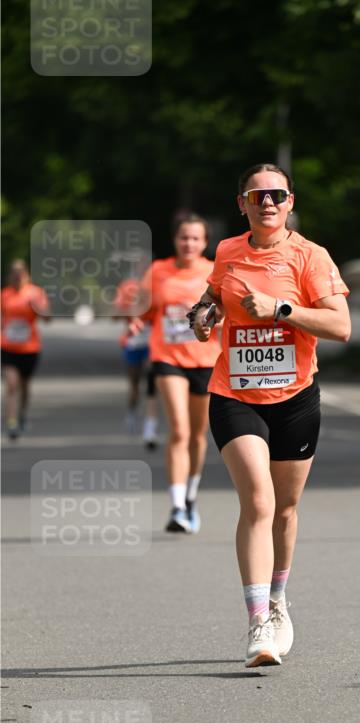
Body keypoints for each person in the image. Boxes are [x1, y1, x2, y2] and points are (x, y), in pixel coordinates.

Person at [190, 163, 350, 668]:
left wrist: (280, 310)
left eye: (276, 195)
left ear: (290, 202)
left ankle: (279, 599)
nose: (267, 203)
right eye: (257, 195)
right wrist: (203, 313)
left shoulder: (309, 256)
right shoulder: (228, 251)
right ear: (241, 203)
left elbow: (340, 325)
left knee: (284, 508)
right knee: (257, 501)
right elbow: (214, 294)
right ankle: (258, 623)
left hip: (296, 398)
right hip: (234, 394)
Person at [130, 215, 221, 533]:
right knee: (179, 431)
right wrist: (136, 320)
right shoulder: (158, 271)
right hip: (167, 358)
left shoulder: (215, 271)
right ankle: (177, 506)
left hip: (206, 360)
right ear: (175, 240)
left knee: (198, 435)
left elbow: (226, 312)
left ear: (205, 242)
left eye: (196, 238)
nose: (189, 244)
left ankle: (192, 496)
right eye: (184, 238)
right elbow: (145, 309)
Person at [1, 259, 51, 439]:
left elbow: (47, 319)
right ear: (9, 275)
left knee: (25, 386)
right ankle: (11, 423)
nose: (17, 275)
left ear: (26, 274)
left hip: (30, 348)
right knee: (11, 384)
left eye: (20, 272)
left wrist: (38, 308)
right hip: (8, 347)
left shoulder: (35, 293)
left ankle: (21, 414)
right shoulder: (4, 295)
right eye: (13, 272)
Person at [113, 277, 159, 448]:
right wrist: (127, 311)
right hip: (133, 342)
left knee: (151, 381)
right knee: (134, 384)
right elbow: (114, 316)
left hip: (152, 343)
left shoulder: (157, 289)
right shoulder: (126, 288)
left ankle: (150, 428)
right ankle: (132, 413)